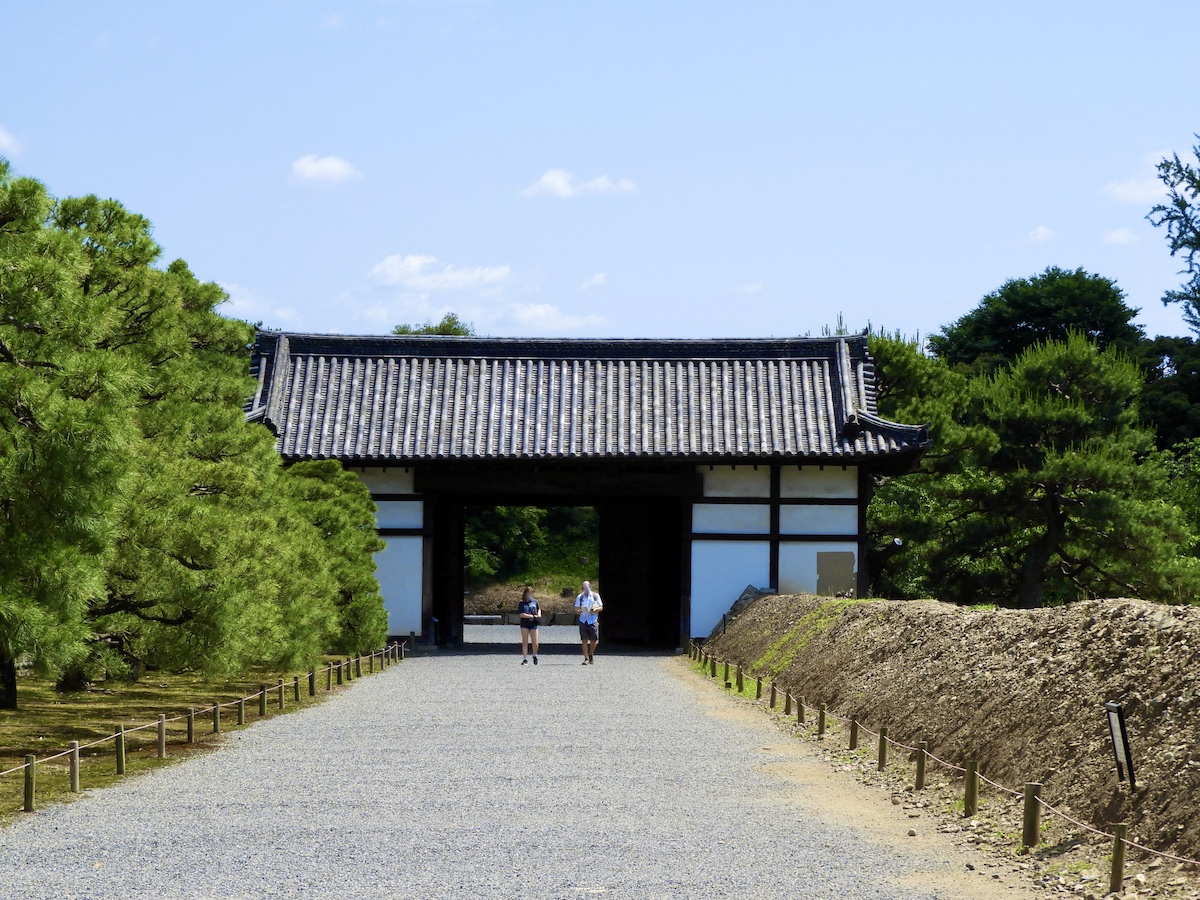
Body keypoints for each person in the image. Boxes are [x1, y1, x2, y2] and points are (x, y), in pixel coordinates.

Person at [574, 580, 602, 665]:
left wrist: (595, 610)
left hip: (592, 619)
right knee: (584, 640)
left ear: (590, 587)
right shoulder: (580, 597)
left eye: (587, 587)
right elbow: (576, 609)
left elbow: (601, 607)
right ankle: (586, 657)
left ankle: (591, 654)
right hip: (583, 620)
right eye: (584, 587)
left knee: (594, 639)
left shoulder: (595, 596)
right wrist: (579, 611)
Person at [518, 585, 540, 665]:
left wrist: (538, 614)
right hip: (525, 623)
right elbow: (521, 614)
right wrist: (532, 616)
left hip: (533, 624)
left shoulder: (535, 601)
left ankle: (535, 655)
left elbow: (538, 609)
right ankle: (525, 658)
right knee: (525, 641)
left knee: (535, 642)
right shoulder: (522, 603)